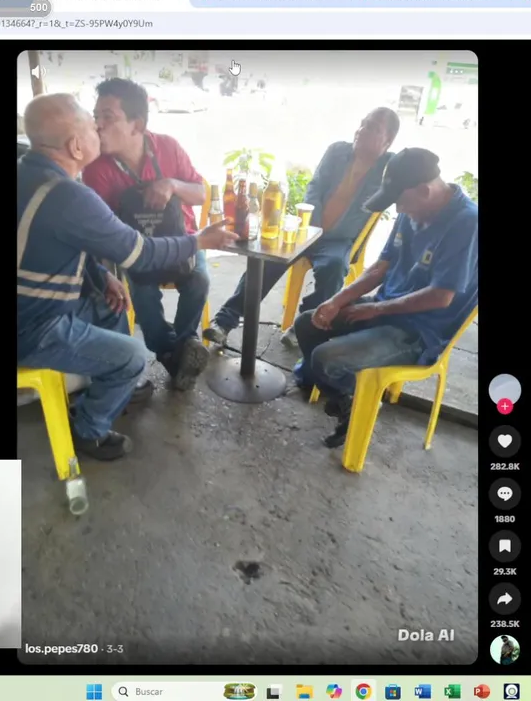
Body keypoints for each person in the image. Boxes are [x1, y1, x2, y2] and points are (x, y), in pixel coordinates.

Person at [17, 93, 237, 461]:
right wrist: (200, 241)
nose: (99, 129)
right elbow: (140, 253)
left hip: (33, 307)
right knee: (132, 355)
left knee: (113, 303)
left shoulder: (28, 172)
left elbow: (66, 237)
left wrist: (102, 274)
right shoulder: (69, 194)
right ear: (75, 146)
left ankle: (121, 381)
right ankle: (88, 430)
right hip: (33, 327)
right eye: (93, 124)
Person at [292, 148, 478, 447]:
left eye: (401, 202)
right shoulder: (413, 210)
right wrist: (337, 300)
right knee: (307, 324)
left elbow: (441, 296)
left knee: (326, 358)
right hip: (385, 309)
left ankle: (357, 399)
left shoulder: (466, 223)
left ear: (425, 190)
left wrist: (377, 310)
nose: (399, 210)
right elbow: (380, 267)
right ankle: (347, 398)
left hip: (420, 332)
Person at [206, 107, 401, 348]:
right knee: (266, 259)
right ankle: (224, 321)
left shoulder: (389, 168)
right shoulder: (337, 151)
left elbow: (416, 178)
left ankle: (304, 326)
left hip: (339, 241)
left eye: (372, 128)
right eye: (363, 123)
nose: (362, 130)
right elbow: (315, 187)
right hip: (307, 229)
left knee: (333, 267)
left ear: (387, 141)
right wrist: (313, 227)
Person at [82, 78, 214, 392]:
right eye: (96, 116)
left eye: (108, 117)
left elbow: (200, 194)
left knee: (199, 280)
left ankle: (184, 344)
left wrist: (172, 185)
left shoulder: (167, 147)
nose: (98, 125)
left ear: (137, 124)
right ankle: (171, 353)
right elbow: (99, 230)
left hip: (183, 240)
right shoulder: (97, 169)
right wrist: (106, 271)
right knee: (141, 291)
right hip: (137, 249)